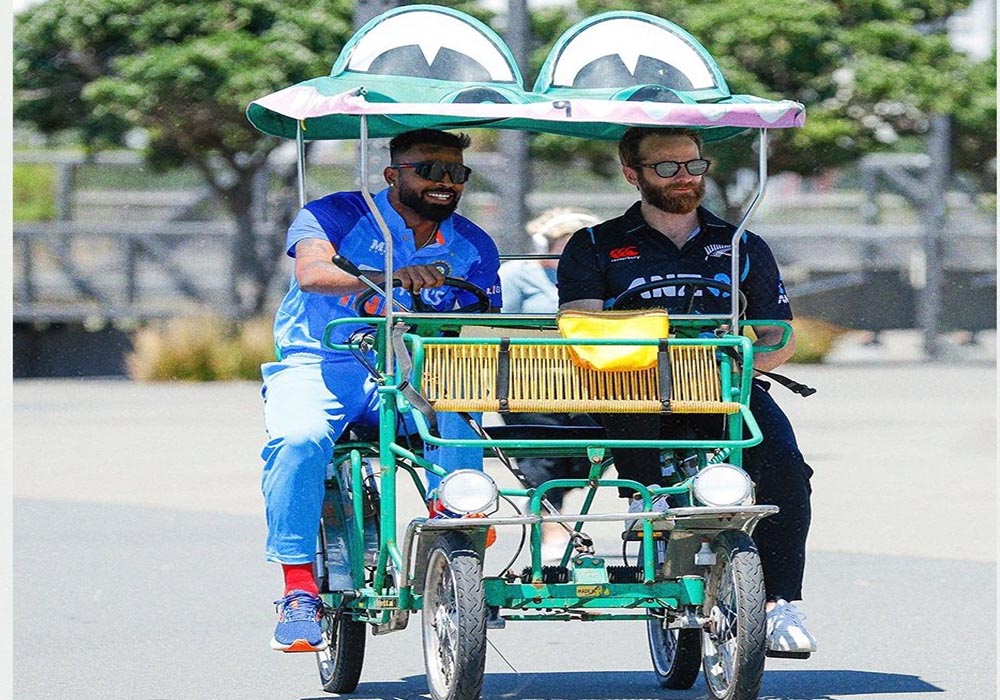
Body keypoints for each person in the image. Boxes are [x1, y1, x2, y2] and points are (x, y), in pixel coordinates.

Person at [556, 126, 817, 657]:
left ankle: (780, 604)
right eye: (667, 167)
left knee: (787, 466)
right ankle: (641, 501)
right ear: (633, 174)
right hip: (627, 386)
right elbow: (580, 328)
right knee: (630, 398)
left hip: (722, 386)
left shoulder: (742, 243)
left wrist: (747, 366)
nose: (684, 178)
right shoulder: (594, 245)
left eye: (693, 166)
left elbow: (777, 334)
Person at [260, 129, 502, 652]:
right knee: (298, 440)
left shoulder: (475, 244)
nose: (445, 182)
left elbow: (483, 323)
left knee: (462, 408)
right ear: (393, 174)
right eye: (430, 170)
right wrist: (391, 276)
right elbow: (312, 274)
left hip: (415, 366)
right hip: (324, 360)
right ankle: (298, 591)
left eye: (456, 173)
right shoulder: (336, 213)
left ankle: (458, 537)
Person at [498, 208, 602, 561]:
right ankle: (553, 528)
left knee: (590, 455)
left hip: (590, 383)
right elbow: (491, 328)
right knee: (541, 456)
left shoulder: (601, 279)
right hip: (529, 382)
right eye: (564, 245)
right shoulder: (516, 276)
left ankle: (560, 515)